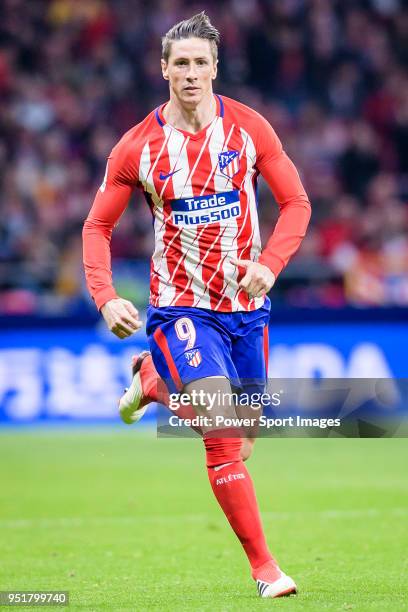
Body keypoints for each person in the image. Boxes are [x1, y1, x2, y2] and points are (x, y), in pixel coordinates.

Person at [83, 12, 311, 599]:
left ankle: (154, 382)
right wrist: (106, 297)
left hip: (246, 306)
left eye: (200, 63)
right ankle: (266, 571)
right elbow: (96, 227)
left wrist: (268, 265)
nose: (190, 73)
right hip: (181, 306)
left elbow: (297, 204)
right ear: (163, 69)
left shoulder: (249, 129)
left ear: (216, 67)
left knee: (248, 432)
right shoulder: (137, 147)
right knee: (221, 429)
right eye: (179, 63)